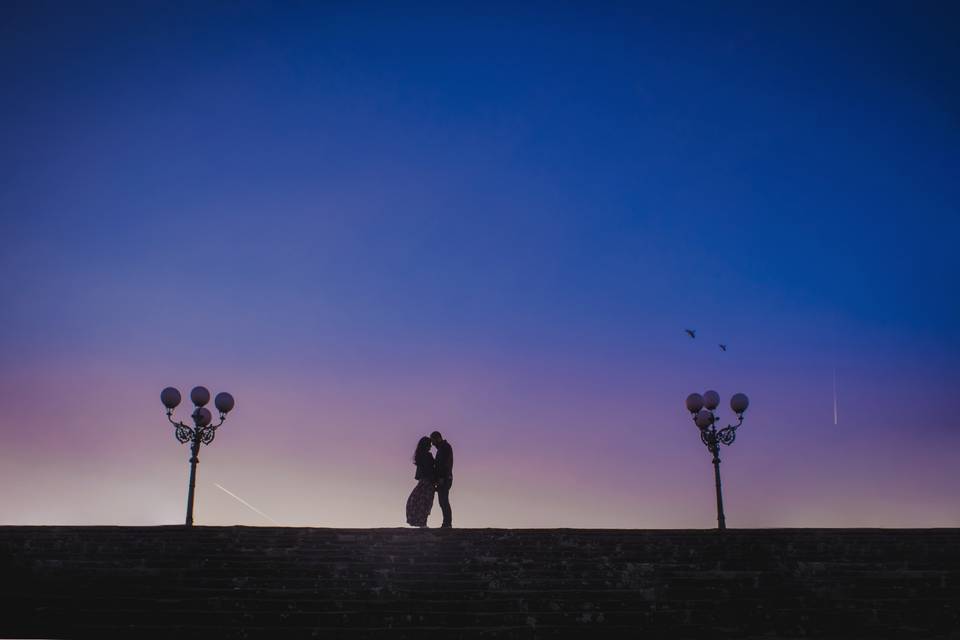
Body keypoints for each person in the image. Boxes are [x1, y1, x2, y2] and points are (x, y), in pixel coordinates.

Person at [405, 436, 436, 527]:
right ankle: (423, 523)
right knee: (425, 502)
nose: (430, 447)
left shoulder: (420, 456)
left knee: (419, 501)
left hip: (423, 481)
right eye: (429, 445)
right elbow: (430, 470)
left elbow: (419, 474)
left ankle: (422, 522)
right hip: (428, 482)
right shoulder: (427, 456)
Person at [430, 431, 453, 528]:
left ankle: (447, 523)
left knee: (443, 500)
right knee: (442, 501)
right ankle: (446, 523)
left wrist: (442, 478)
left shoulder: (445, 447)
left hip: (445, 478)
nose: (432, 444)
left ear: (438, 438)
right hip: (444, 478)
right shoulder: (442, 448)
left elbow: (445, 465)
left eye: (433, 441)